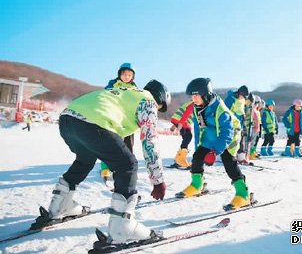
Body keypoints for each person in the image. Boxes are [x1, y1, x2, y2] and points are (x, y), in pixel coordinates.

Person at [38, 80, 171, 245]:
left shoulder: (125, 93)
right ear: (160, 100)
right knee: (127, 165)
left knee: (85, 159)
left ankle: (59, 205)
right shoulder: (148, 101)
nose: (157, 111)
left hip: (67, 119)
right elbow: (150, 142)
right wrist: (158, 180)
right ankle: (122, 227)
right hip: (92, 124)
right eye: (160, 108)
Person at [176, 78, 250, 210]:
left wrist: (215, 151)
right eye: (192, 96)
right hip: (211, 134)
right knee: (197, 156)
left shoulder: (220, 109)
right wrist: (201, 147)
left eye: (196, 96)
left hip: (230, 135)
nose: (194, 99)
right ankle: (196, 185)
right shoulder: (196, 107)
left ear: (206, 94)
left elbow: (227, 132)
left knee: (228, 161)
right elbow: (200, 127)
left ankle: (243, 194)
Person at [101, 63, 138, 180]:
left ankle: (127, 166)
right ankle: (105, 167)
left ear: (132, 76)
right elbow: (105, 95)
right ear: (120, 74)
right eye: (124, 74)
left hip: (128, 119)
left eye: (129, 75)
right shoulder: (113, 84)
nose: (127, 77)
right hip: (114, 116)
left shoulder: (135, 88)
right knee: (110, 141)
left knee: (128, 143)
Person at [224, 85, 249, 162]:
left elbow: (242, 111)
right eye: (242, 96)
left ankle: (241, 158)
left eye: (244, 97)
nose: (243, 98)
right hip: (231, 123)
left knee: (240, 140)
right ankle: (229, 156)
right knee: (231, 140)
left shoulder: (242, 100)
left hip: (239, 123)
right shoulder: (230, 99)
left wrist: (244, 119)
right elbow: (225, 111)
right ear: (239, 93)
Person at [169, 100, 195, 168]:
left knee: (186, 139)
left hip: (179, 121)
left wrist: (174, 126)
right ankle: (180, 160)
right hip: (182, 123)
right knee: (188, 137)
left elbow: (181, 113)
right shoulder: (194, 103)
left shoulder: (189, 102)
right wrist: (180, 124)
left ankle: (178, 160)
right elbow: (186, 113)